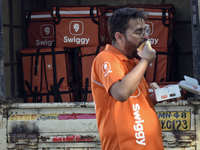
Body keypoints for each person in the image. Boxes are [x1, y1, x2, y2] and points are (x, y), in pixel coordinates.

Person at [91, 7, 164, 150]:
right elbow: (121, 93)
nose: (145, 36)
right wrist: (145, 61)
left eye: (146, 30)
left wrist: (159, 97)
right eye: (138, 32)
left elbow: (136, 101)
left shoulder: (133, 63)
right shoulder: (106, 58)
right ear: (119, 37)